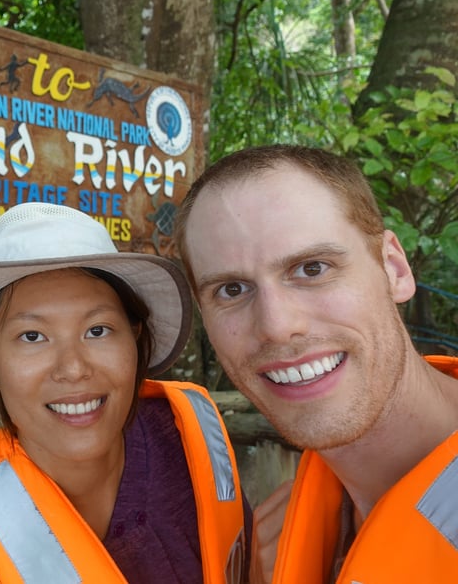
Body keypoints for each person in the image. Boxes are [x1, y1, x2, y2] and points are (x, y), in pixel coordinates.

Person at [0, 201, 249, 583]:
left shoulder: (187, 435)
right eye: (32, 336)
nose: (73, 369)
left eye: (97, 330)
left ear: (135, 338)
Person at [172, 144, 458, 584]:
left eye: (312, 268)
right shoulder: (300, 527)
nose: (277, 326)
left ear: (395, 269)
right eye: (231, 290)